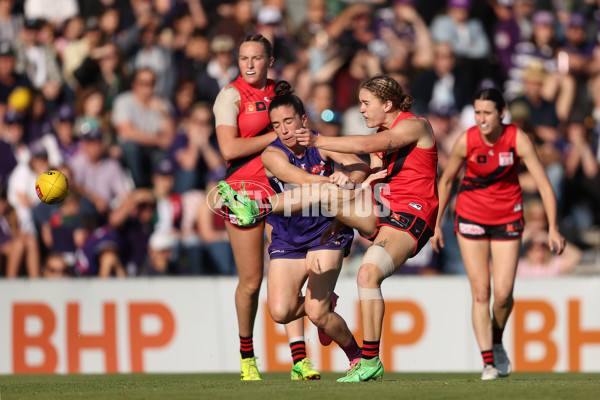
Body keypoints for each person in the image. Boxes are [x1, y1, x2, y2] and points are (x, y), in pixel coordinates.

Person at [219, 75, 439, 382]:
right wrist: (344, 199)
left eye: (365, 103)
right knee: (352, 280)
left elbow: (364, 147)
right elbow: (373, 176)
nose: (361, 110)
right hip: (378, 210)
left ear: (387, 104)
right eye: (276, 124)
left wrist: (321, 145)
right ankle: (368, 360)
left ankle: (258, 207)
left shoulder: (415, 125)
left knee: (356, 271)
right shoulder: (274, 152)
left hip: (410, 213)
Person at [430, 88, 566, 380]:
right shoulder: (467, 140)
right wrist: (436, 224)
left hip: (507, 217)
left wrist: (553, 228)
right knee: (481, 292)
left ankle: (496, 339)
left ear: (501, 113)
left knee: (503, 295)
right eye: (477, 113)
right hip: (470, 217)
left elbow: (544, 185)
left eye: (487, 113)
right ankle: (489, 362)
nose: (481, 119)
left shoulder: (516, 139)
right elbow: (446, 181)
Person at [212, 34, 311, 381]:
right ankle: (247, 355)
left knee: (291, 274)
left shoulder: (280, 94)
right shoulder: (230, 95)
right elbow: (228, 150)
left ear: (270, 61)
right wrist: (277, 134)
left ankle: (299, 360)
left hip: (282, 191)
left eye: (256, 58)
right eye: (243, 58)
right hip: (243, 194)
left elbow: (301, 134)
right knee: (252, 282)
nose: (249, 64)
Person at [263, 81, 369, 378]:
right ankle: (327, 300)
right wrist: (331, 183)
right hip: (289, 236)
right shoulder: (272, 155)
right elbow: (294, 177)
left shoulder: (322, 143)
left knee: (316, 313)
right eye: (276, 125)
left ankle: (358, 358)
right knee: (281, 312)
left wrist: (350, 180)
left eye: (288, 121)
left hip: (326, 233)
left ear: (303, 120)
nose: (283, 130)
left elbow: (360, 166)